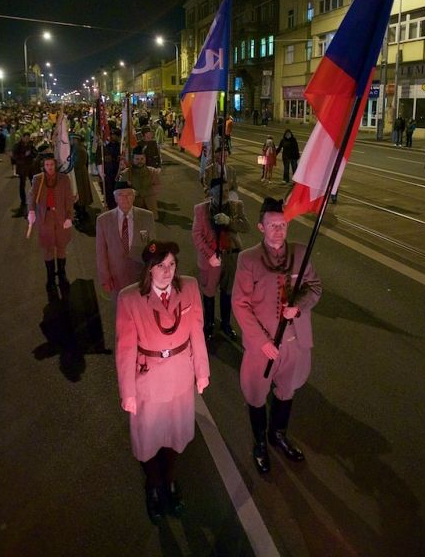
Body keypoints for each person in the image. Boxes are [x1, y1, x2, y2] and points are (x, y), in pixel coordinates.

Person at [115, 240, 209, 523]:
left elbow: (197, 332)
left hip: (180, 377)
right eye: (160, 266)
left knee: (173, 436)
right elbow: (125, 348)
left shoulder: (189, 287)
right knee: (148, 439)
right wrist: (127, 391)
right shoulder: (130, 298)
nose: (167, 272)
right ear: (149, 270)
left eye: (171, 265)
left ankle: (169, 482)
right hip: (149, 379)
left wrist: (202, 371)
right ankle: (153, 486)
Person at [232, 197, 322, 474]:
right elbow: (240, 304)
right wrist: (261, 342)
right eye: (272, 225)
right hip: (264, 348)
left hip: (296, 343)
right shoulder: (248, 259)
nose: (278, 230)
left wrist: (299, 306)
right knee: (257, 395)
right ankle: (260, 442)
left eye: (282, 225)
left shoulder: (300, 252)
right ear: (261, 227)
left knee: (287, 390)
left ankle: (278, 434)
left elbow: (315, 287)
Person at [192, 178, 250, 340]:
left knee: (228, 292)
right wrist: (210, 255)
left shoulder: (236, 206)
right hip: (211, 258)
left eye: (226, 190)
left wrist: (229, 221)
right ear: (211, 192)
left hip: (231, 255)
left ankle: (226, 324)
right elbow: (197, 235)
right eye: (219, 191)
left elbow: (246, 227)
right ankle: (209, 323)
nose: (224, 194)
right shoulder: (201, 209)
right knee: (209, 292)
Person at [27, 154, 75, 301]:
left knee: (61, 246)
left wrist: (69, 217)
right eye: (47, 165)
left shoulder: (63, 179)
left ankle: (61, 274)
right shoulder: (38, 179)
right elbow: (31, 196)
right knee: (48, 247)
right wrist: (31, 211)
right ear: (44, 166)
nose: (50, 168)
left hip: (60, 218)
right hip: (45, 219)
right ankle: (50, 278)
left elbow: (69, 199)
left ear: (55, 165)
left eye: (52, 165)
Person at [96, 181, 156, 296]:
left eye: (129, 194)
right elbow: (101, 252)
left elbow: (153, 248)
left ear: (134, 196)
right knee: (120, 309)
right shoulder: (103, 220)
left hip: (141, 276)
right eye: (120, 195)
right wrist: (105, 277)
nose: (125, 198)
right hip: (116, 277)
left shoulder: (147, 217)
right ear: (115, 198)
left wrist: (153, 274)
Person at [12, 132, 38, 216]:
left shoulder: (30, 144)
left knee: (33, 182)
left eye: (28, 138)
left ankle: (35, 199)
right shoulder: (17, 145)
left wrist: (32, 153)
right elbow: (15, 156)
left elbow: (35, 153)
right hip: (22, 167)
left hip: (30, 166)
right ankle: (23, 201)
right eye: (26, 138)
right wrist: (24, 155)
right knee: (22, 184)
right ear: (22, 137)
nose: (27, 139)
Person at [71, 133, 93, 224]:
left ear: (76, 140)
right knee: (80, 193)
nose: (70, 141)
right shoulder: (77, 148)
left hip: (79, 174)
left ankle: (82, 213)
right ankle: (80, 211)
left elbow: (78, 163)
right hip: (79, 173)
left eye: (72, 139)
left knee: (80, 193)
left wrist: (69, 166)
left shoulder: (79, 150)